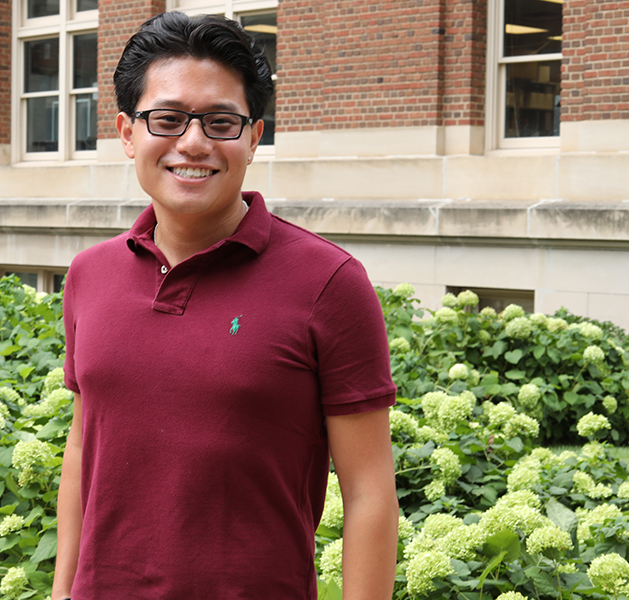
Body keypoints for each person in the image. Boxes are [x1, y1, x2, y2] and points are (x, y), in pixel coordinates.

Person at [53, 12, 399, 600]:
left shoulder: (329, 282)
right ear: (126, 133)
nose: (193, 143)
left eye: (220, 121)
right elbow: (86, 445)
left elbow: (369, 493)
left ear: (254, 136)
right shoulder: (91, 275)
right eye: (166, 119)